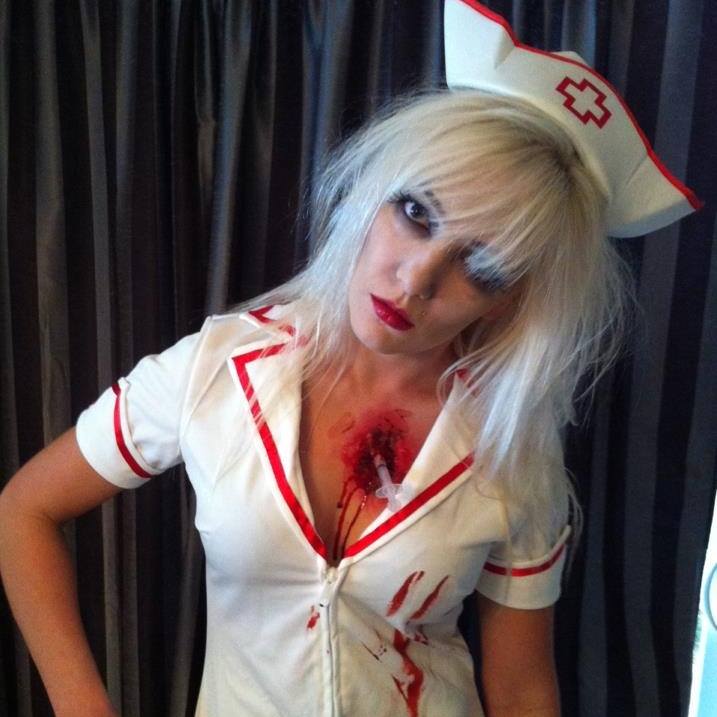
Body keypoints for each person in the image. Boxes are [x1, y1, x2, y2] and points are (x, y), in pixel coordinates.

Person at [0, 2, 701, 716]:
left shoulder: (511, 443)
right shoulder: (217, 367)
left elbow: (521, 688)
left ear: (513, 301)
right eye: (416, 212)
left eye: (482, 267)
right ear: (370, 193)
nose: (415, 279)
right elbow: (25, 508)